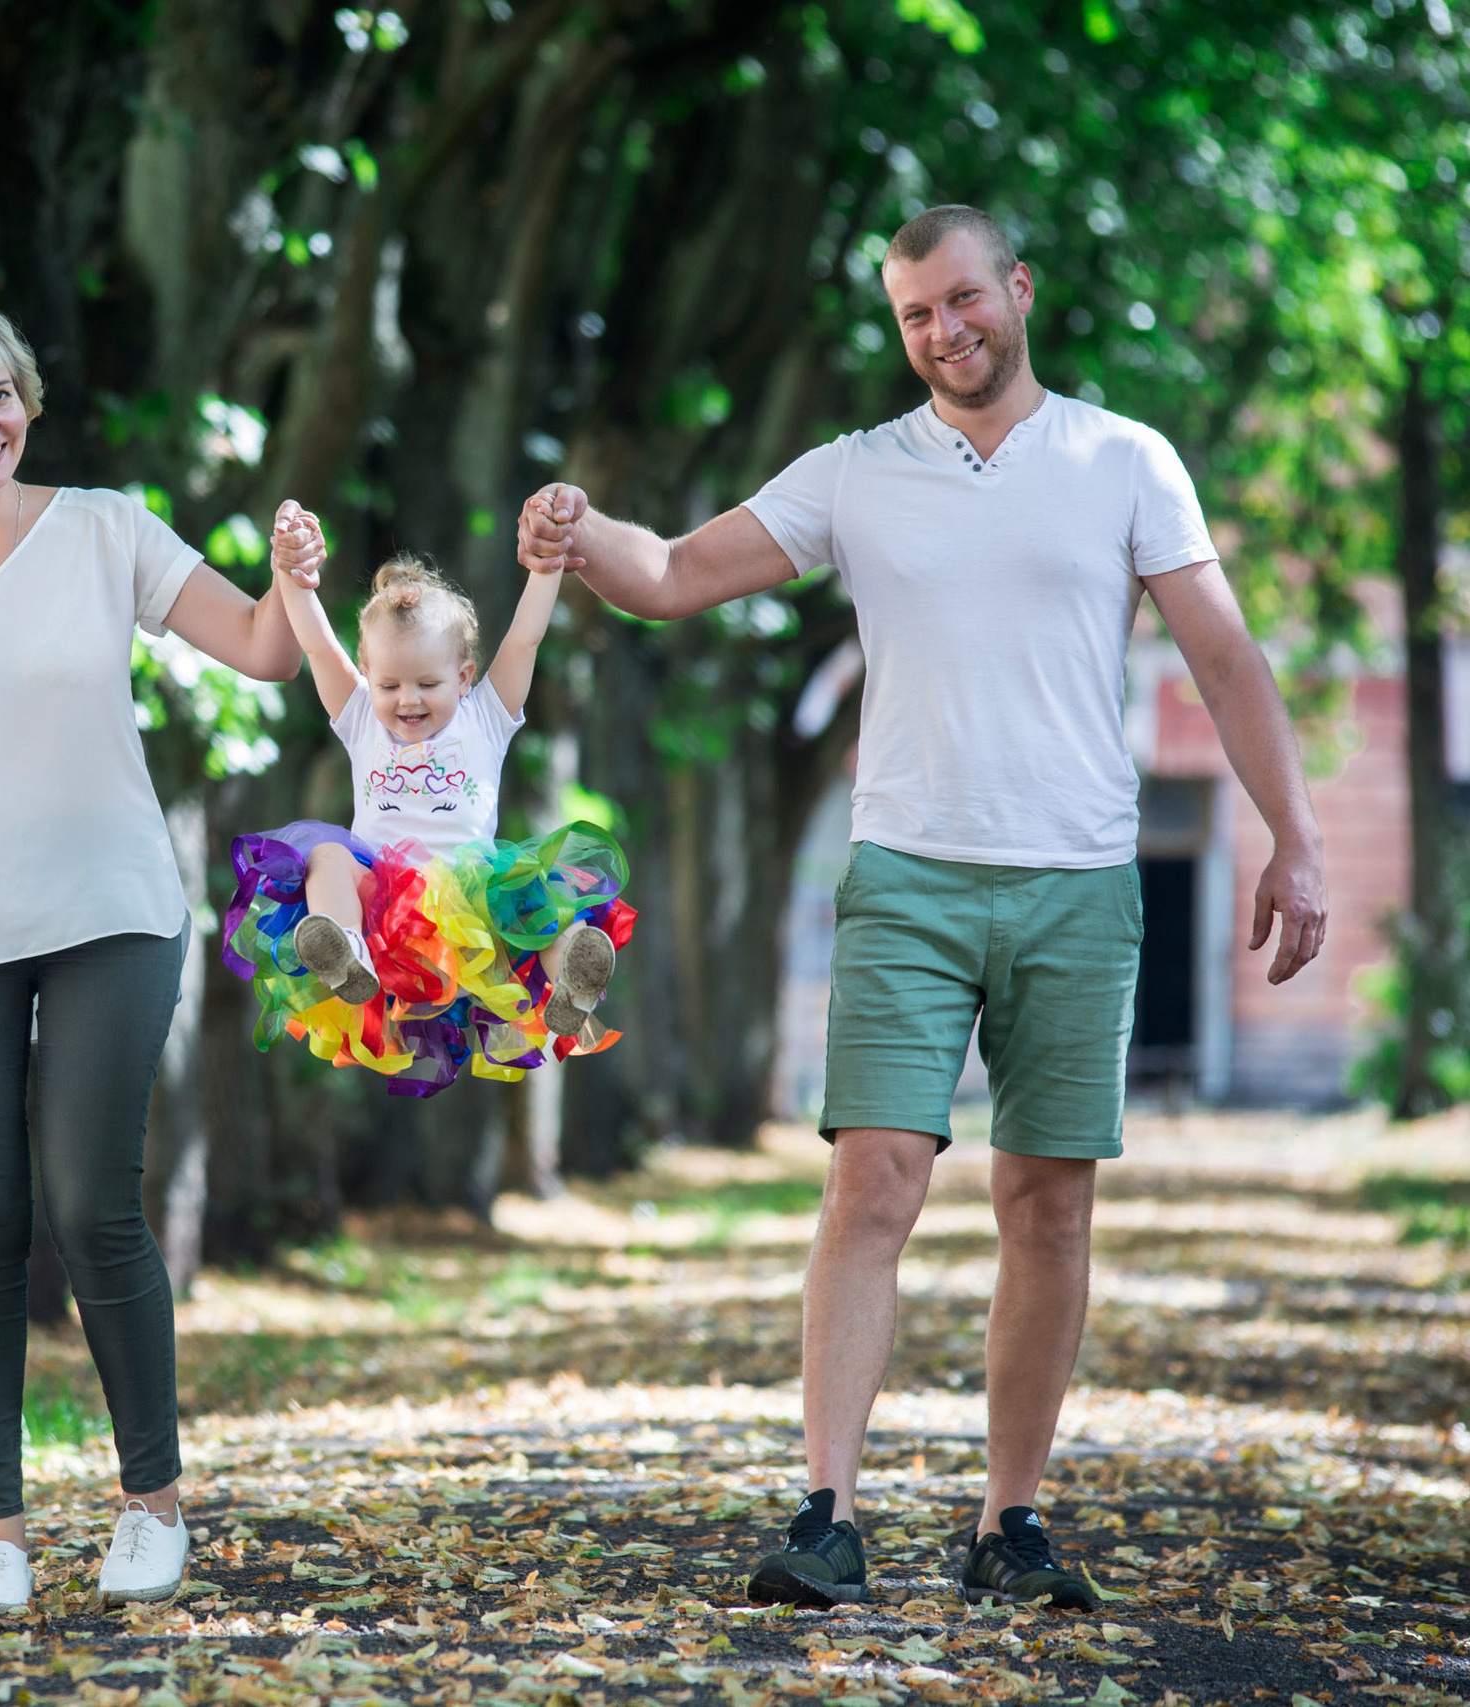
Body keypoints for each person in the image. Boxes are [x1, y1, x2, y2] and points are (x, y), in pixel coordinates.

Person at [517, 205, 1327, 1612]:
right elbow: (676, 575)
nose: (943, 332)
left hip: (1078, 880)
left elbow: (1224, 653)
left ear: (1017, 288)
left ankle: (1010, 1521)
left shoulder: (1125, 460)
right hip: (907, 876)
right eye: (913, 315)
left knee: (1047, 1203)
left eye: (962, 300)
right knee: (873, 1178)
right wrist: (585, 532)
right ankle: (826, 1509)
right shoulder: (858, 473)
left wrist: (1295, 838)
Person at [0, 299, 304, 1616]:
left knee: (91, 1196)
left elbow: (256, 647)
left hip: (112, 909)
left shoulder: (101, 528)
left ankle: (152, 1502)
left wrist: (299, 587)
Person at [221, 502, 636, 1095]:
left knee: (529, 894)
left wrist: (546, 568)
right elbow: (315, 645)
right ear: (367, 672)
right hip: (383, 905)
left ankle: (573, 976)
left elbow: (526, 637)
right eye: (388, 684)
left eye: (427, 684)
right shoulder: (362, 716)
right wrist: (292, 569)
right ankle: (345, 952)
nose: (406, 700)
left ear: (464, 677)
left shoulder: (486, 718)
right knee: (324, 856)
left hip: (472, 900)